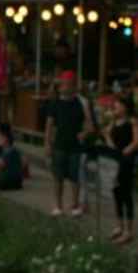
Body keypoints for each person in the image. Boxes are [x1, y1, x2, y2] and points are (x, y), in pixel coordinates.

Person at [44, 70, 94, 217]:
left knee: (74, 178)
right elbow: (49, 125)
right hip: (59, 144)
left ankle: (75, 205)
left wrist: (83, 134)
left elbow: (90, 125)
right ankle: (58, 206)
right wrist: (47, 144)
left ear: (73, 86)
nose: (65, 87)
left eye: (68, 85)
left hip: (75, 146)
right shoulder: (55, 103)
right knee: (58, 177)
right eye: (63, 84)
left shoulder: (81, 102)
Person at [105, 95, 138, 243]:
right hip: (115, 159)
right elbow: (107, 137)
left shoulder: (132, 121)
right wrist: (108, 138)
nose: (115, 107)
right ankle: (119, 226)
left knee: (126, 194)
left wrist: (129, 149)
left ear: (125, 107)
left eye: (118, 104)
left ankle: (128, 230)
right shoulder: (113, 122)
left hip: (126, 160)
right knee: (116, 193)